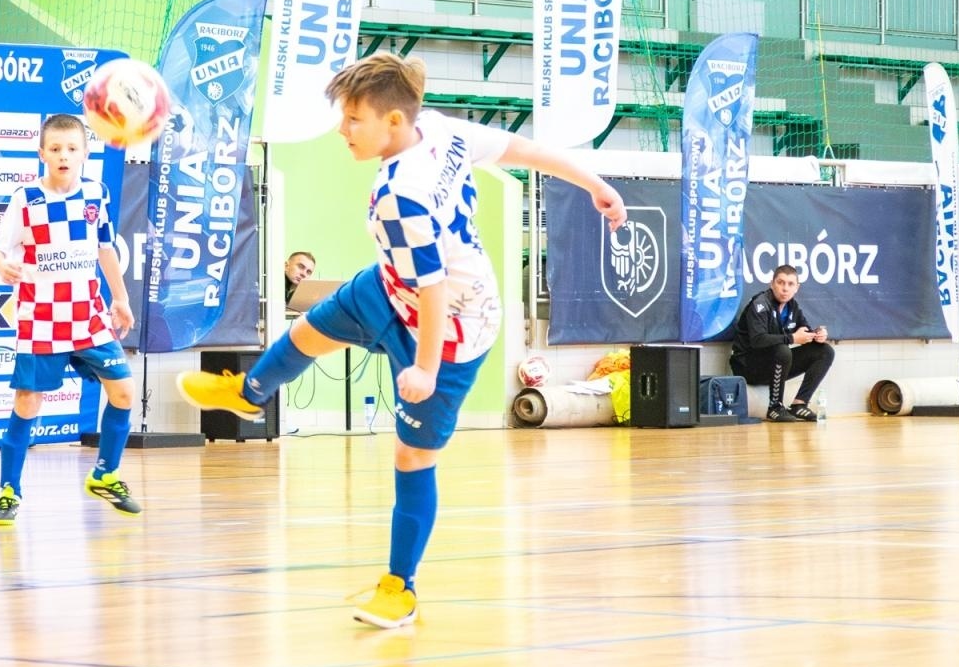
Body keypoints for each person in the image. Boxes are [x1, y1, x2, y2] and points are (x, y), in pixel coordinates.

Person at [175, 53, 625, 628]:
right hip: (391, 290)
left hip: (451, 328)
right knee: (308, 331)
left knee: (412, 458)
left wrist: (426, 369)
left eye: (353, 119)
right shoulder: (439, 128)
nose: (342, 130)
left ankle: (400, 589)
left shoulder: (399, 193)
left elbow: (435, 287)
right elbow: (521, 151)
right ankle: (250, 391)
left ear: (392, 122)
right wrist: (596, 184)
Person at [0, 114, 139, 525]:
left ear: (86, 154)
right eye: (55, 149)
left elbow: (105, 249)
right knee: (28, 403)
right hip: (41, 318)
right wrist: (1, 266)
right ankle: (8, 491)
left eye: (72, 149)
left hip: (88, 316)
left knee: (124, 392)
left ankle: (105, 474)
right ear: (42, 154)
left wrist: (120, 299)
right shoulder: (26, 199)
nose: (64, 156)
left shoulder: (95, 194)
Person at [730, 264, 834, 422]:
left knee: (825, 351)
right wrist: (792, 338)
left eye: (790, 284)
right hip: (748, 366)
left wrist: (817, 335)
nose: (785, 288)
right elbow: (758, 340)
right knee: (783, 349)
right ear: (772, 284)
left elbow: (804, 331)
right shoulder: (760, 304)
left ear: (797, 288)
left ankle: (799, 404)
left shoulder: (793, 307)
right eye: (781, 282)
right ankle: (775, 407)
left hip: (774, 365)